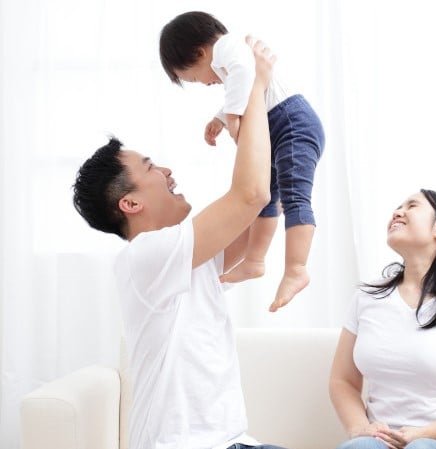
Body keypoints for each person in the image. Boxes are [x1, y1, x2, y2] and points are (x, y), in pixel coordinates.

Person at [72, 37, 288, 449]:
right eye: (151, 166)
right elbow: (251, 195)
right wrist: (253, 88)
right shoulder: (145, 257)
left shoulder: (187, 256)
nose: (167, 170)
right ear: (130, 202)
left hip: (235, 442)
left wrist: (243, 115)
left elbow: (262, 196)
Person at [159, 11, 325, 312]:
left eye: (195, 77)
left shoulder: (228, 46)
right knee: (268, 199)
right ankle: (255, 260)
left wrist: (233, 116)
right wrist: (222, 117)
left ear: (200, 52)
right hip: (276, 123)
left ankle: (297, 269)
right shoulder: (232, 62)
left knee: (293, 196)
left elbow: (244, 76)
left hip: (291, 122)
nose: (205, 84)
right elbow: (245, 85)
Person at [329, 190, 436, 449]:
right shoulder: (366, 298)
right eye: (398, 206)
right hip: (379, 441)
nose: (397, 212)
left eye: (411, 206)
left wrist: (422, 434)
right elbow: (342, 380)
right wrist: (361, 428)